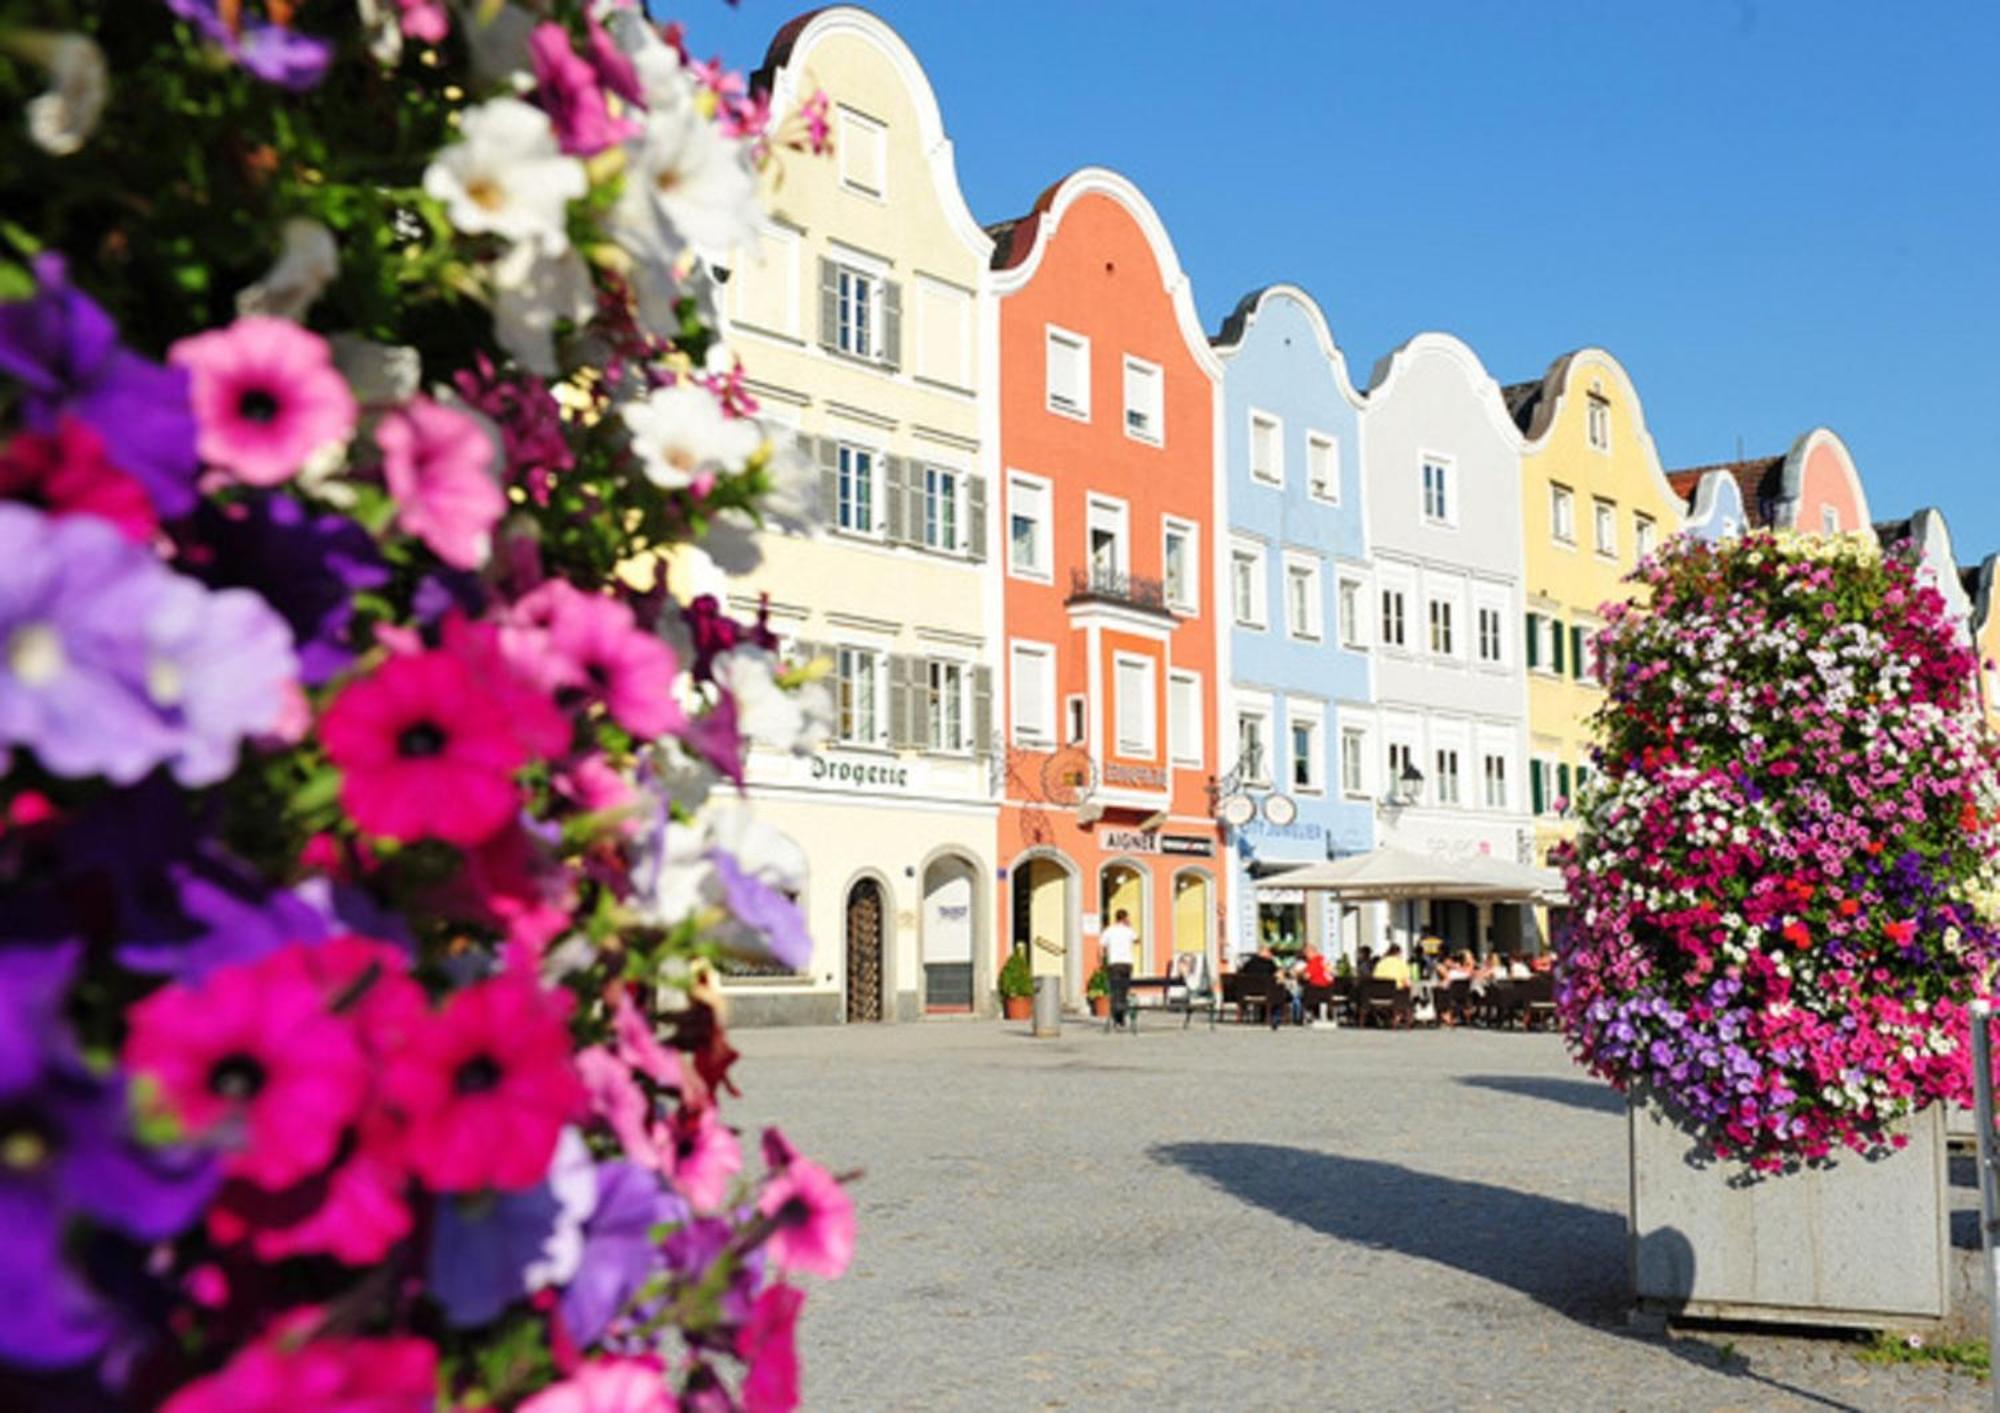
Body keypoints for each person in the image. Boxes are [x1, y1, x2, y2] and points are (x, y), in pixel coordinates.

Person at [1100, 909, 1137, 1028]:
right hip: (1126, 964)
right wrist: (1129, 926)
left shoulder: (1109, 930)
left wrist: (1102, 961)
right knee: (1124, 990)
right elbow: (1137, 940)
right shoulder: (1129, 931)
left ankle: (1116, 1017)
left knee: (1115, 990)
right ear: (1125, 918)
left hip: (1114, 964)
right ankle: (1121, 1017)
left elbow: (1101, 947)